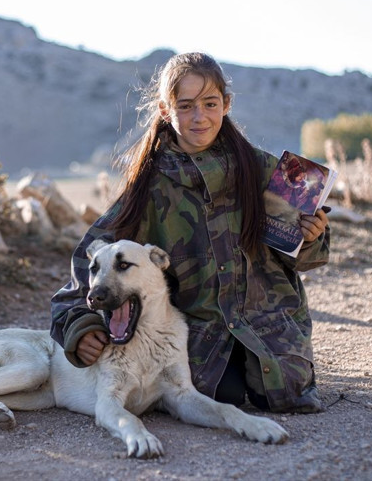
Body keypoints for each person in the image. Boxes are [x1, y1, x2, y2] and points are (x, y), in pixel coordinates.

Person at [50, 52, 330, 413]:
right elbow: (88, 264)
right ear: (166, 110)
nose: (200, 116)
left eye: (210, 103)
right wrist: (82, 327)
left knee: (283, 394)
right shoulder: (147, 188)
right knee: (216, 394)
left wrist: (311, 237)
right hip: (201, 337)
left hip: (270, 326)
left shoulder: (266, 169)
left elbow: (304, 259)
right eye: (185, 106)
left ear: (226, 104)